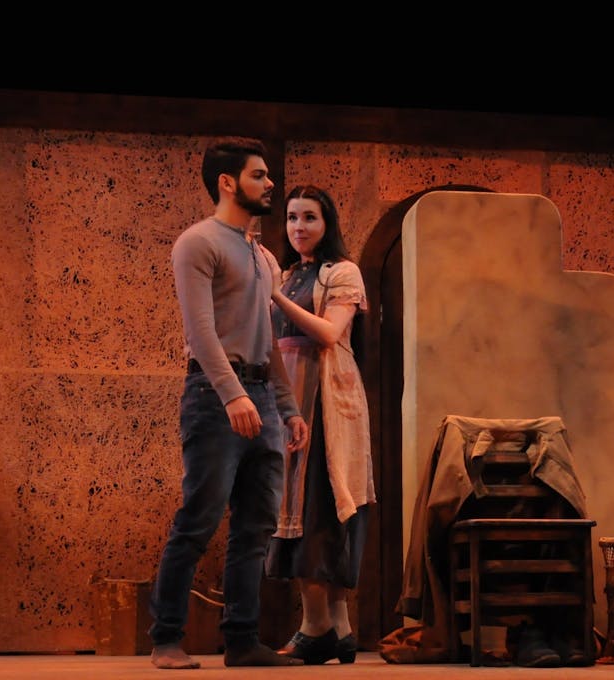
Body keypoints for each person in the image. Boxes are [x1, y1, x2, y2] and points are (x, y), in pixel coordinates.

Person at [148, 137, 309, 669]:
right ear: (227, 182)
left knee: (256, 526)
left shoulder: (264, 257)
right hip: (214, 395)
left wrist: (288, 407)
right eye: (258, 175)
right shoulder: (197, 243)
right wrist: (232, 394)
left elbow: (269, 340)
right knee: (199, 517)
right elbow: (200, 332)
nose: (269, 183)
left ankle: (241, 640)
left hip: (261, 395)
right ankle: (166, 639)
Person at [260, 185, 376, 665]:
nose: (299, 227)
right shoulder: (289, 275)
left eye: (309, 217)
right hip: (290, 398)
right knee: (296, 503)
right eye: (292, 218)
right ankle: (339, 630)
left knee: (322, 506)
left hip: (327, 399)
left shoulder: (341, 272)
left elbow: (329, 332)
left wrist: (272, 295)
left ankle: (316, 628)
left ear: (327, 223)